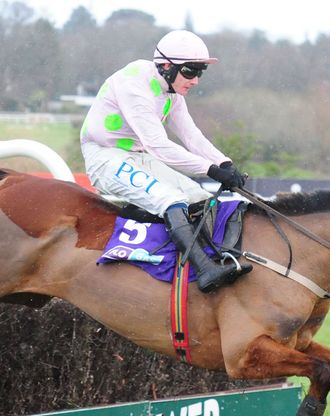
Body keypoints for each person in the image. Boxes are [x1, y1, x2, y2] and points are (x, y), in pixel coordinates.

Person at [80, 29, 252, 293]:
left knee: (199, 197)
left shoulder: (171, 89)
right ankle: (205, 271)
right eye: (191, 71)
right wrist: (212, 170)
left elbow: (191, 136)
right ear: (167, 66)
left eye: (200, 72)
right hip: (104, 156)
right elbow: (159, 145)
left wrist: (224, 163)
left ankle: (221, 258)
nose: (195, 80)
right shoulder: (135, 85)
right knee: (171, 200)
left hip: (138, 156)